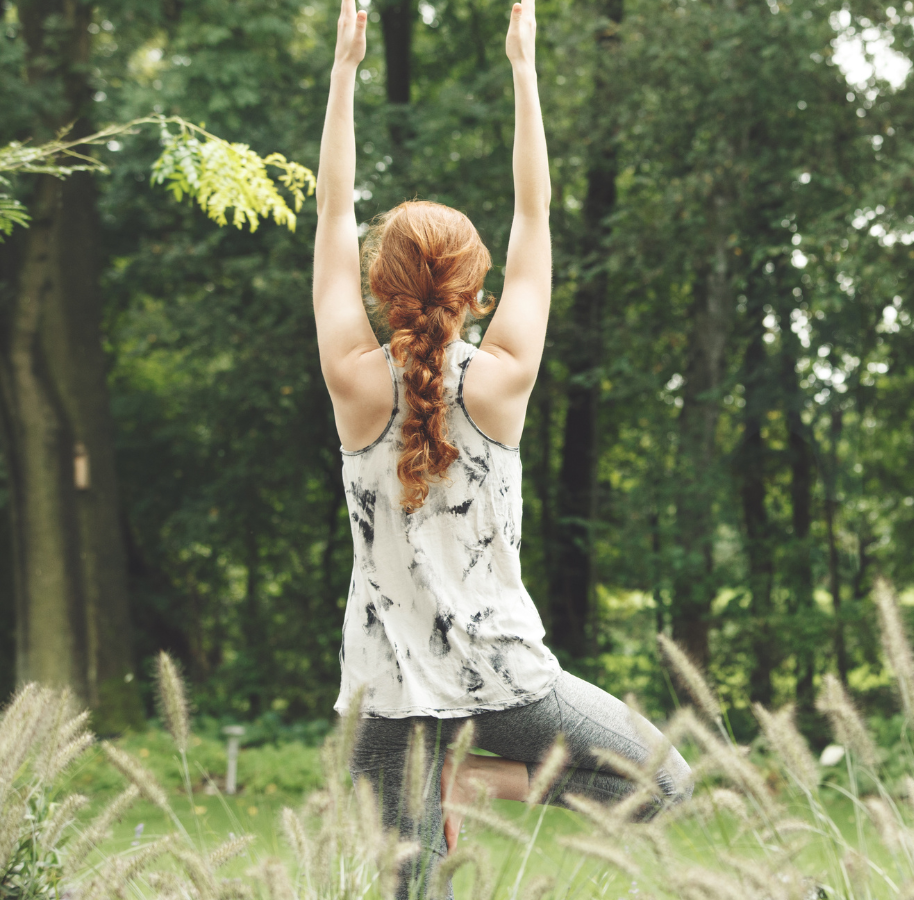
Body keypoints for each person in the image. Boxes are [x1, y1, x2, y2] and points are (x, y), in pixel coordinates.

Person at [312, 2, 691, 895]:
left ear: (380, 288)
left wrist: (343, 73)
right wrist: (523, 69)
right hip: (507, 678)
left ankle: (451, 782)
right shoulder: (504, 378)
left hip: (387, 692)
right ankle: (474, 786)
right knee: (663, 784)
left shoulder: (351, 379)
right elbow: (536, 210)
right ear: (475, 290)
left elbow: (332, 216)